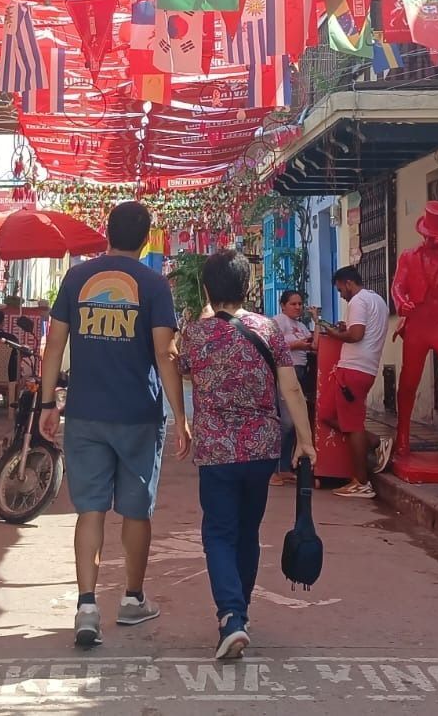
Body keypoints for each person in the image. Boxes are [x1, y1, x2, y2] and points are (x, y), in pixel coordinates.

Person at [39, 201, 189, 649]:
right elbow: (166, 355)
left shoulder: (76, 278)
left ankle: (86, 605)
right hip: (138, 415)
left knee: (90, 509)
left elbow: (53, 346)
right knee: (136, 509)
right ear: (146, 241)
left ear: (106, 234)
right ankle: (132, 598)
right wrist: (182, 418)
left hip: (84, 411)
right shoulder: (154, 285)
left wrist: (47, 403)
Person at [179, 250, 316, 659]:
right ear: (248, 288)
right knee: (247, 531)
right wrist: (306, 441)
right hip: (261, 449)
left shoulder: (195, 333)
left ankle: (232, 616)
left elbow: (180, 365)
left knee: (218, 532)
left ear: (207, 289)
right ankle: (242, 613)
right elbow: (291, 389)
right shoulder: (269, 328)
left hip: (216, 450)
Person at [321, 266, 392, 499]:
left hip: (354, 368)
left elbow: (356, 335)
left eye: (341, 289)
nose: (341, 294)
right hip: (365, 368)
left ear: (348, 283)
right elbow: (361, 331)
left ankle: (362, 482)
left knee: (352, 425)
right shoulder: (377, 300)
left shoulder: (358, 301)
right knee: (329, 415)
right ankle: (373, 441)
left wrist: (331, 332)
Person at [271, 291, 316, 485]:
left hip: (300, 372)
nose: (297, 307)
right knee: (287, 422)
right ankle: (272, 470)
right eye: (293, 304)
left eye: (299, 304)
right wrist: (295, 345)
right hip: (284, 371)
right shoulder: (278, 322)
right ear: (283, 305)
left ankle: (284, 467)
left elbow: (314, 346)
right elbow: (273, 346)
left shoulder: (302, 326)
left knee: (293, 423)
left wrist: (317, 321)